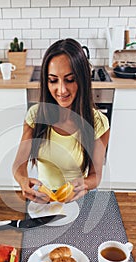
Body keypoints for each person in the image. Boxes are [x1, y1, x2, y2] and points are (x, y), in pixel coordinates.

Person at [12, 38, 110, 203]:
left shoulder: (98, 123)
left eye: (70, 79)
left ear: (82, 79)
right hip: (42, 199)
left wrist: (85, 184)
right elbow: (18, 165)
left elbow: (96, 175)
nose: (61, 89)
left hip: (77, 198)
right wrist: (23, 181)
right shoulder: (35, 116)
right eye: (53, 80)